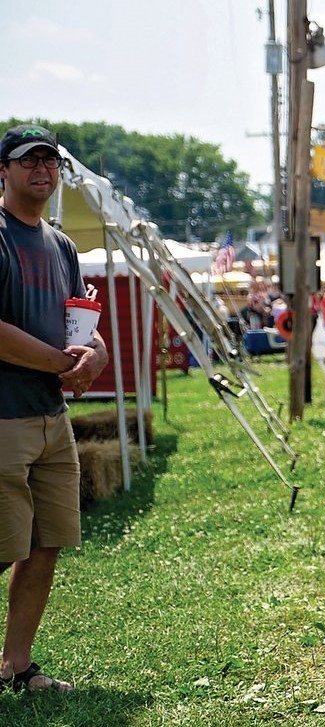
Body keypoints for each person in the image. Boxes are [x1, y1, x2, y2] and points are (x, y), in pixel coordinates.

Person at [0, 124, 110, 693]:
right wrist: (58, 363)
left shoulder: (61, 243)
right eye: (28, 161)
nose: (42, 171)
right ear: (4, 171)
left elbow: (80, 326)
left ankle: (17, 666)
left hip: (52, 419)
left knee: (46, 545)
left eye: (50, 162)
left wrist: (95, 356)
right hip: (3, 417)